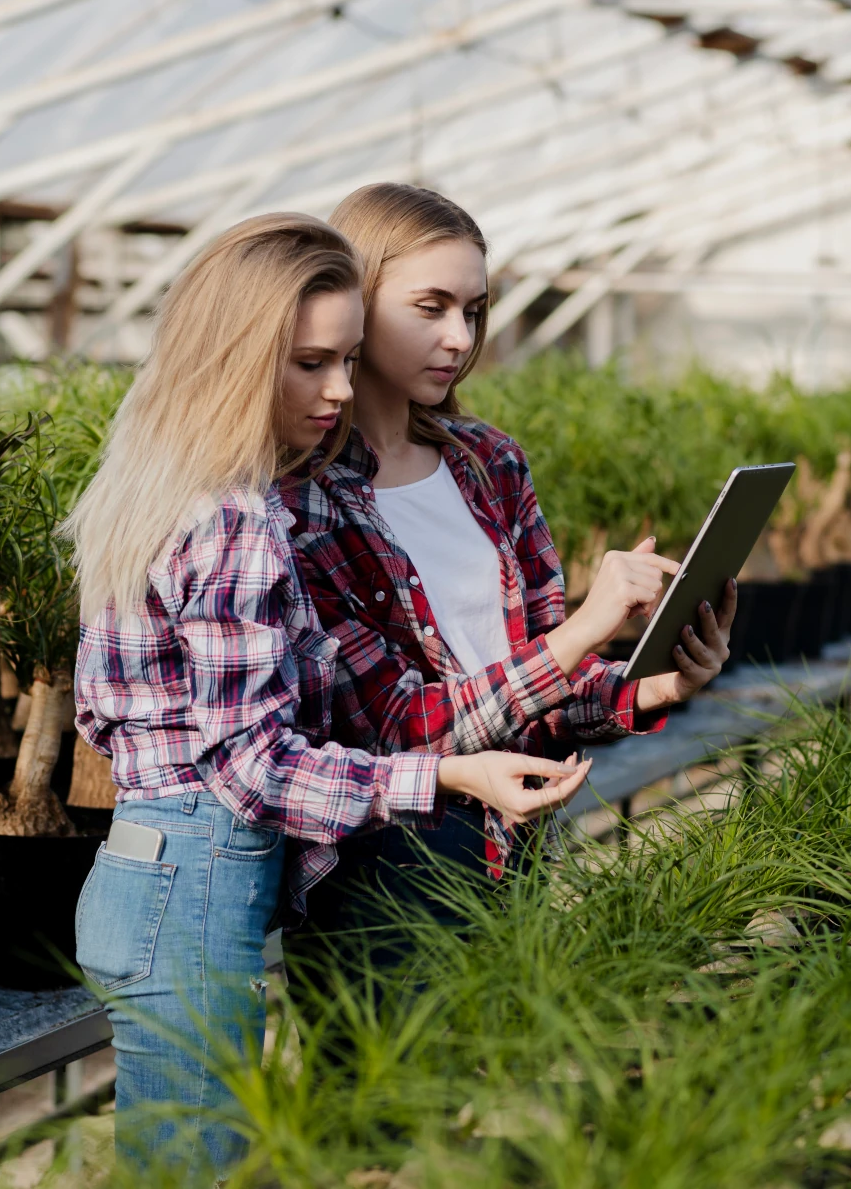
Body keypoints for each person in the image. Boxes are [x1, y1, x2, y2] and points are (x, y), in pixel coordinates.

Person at [64, 212, 592, 1178]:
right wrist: (440, 777)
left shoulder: (160, 481)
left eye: (347, 360)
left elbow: (110, 716)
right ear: (234, 356)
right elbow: (251, 766)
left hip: (162, 868)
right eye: (311, 363)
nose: (340, 390)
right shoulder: (233, 515)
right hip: (192, 879)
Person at [279, 183, 735, 981]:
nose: (459, 337)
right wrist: (587, 630)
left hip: (518, 834)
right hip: (392, 860)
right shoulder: (299, 502)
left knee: (479, 1092)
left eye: (475, 310)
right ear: (356, 299)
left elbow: (531, 682)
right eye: (431, 307)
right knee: (386, 1100)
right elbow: (400, 725)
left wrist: (648, 689)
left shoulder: (488, 462)